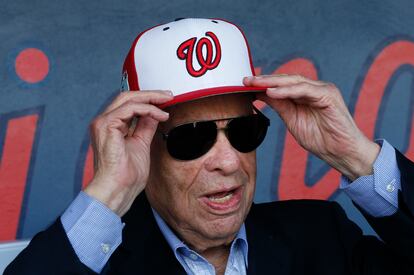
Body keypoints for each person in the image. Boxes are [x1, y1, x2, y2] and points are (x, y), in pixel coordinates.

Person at [5, 18, 414, 275]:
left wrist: (357, 157)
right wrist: (110, 194)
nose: (228, 160)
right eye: (192, 138)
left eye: (243, 132)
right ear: (141, 149)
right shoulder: (99, 260)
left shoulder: (321, 237)